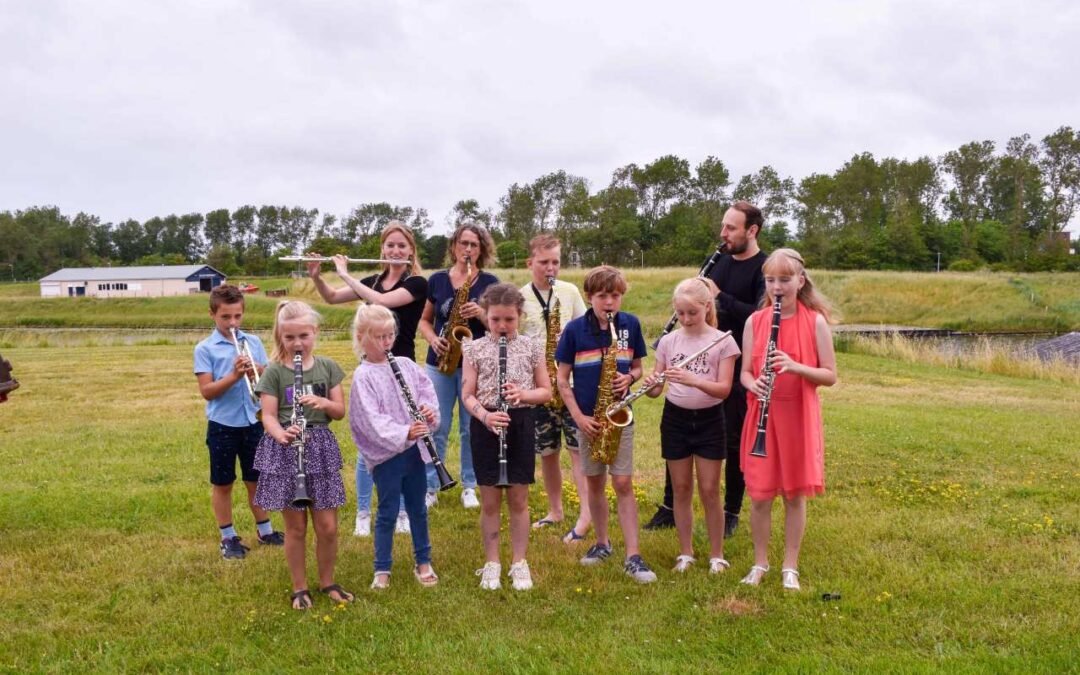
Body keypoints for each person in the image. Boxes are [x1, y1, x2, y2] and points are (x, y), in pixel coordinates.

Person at [645, 201, 767, 537]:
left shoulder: (763, 268)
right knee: (680, 433)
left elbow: (759, 318)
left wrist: (720, 297)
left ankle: (730, 512)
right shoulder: (719, 261)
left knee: (729, 441)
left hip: (737, 364)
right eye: (723, 226)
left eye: (730, 228)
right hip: (696, 352)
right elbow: (696, 305)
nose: (722, 234)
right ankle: (670, 506)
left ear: (751, 231)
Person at [306, 221, 428, 538]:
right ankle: (363, 510)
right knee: (369, 444)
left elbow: (383, 302)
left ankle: (401, 510)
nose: (396, 250)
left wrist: (345, 273)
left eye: (402, 246)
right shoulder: (372, 280)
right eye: (390, 245)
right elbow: (332, 297)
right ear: (382, 249)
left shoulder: (417, 283)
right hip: (371, 370)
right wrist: (318, 276)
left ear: (410, 250)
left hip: (401, 369)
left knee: (402, 440)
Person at [738, 248, 837, 591]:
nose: (777, 286)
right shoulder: (756, 321)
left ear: (800, 281)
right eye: (770, 280)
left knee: (795, 495)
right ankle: (759, 562)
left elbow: (830, 375)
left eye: (784, 279)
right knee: (760, 495)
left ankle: (789, 566)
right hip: (762, 413)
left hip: (798, 414)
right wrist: (756, 383)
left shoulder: (815, 321)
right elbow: (745, 374)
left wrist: (795, 366)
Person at [555, 266, 657, 584]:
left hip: (619, 416)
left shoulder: (631, 325)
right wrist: (578, 417)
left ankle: (633, 555)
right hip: (589, 420)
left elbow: (639, 369)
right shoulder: (574, 330)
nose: (609, 302)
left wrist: (629, 377)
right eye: (602, 296)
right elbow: (560, 378)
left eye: (615, 296)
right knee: (595, 484)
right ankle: (602, 544)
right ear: (590, 297)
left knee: (623, 484)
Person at [253, 300, 353, 610]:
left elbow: (339, 412)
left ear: (315, 333)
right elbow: (267, 414)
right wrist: (280, 433)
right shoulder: (274, 372)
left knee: (328, 526)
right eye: (290, 337)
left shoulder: (328, 368)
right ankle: (299, 587)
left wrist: (323, 403)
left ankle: (327, 581)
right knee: (295, 528)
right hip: (286, 450)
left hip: (320, 448)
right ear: (280, 336)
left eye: (304, 336)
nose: (297, 344)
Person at [644, 278, 740, 574]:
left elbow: (723, 390)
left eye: (692, 313)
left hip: (710, 420)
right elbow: (656, 391)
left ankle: (716, 555)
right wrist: (651, 383)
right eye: (680, 313)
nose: (686, 319)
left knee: (710, 490)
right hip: (675, 419)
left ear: (706, 307)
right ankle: (685, 553)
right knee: (681, 489)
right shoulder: (670, 341)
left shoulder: (723, 341)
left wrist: (693, 379)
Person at [461, 284, 551, 590]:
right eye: (495, 319)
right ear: (486, 316)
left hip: (520, 421)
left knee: (519, 499)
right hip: (486, 423)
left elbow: (546, 392)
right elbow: (466, 394)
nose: (501, 326)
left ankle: (518, 561)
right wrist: (485, 416)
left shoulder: (532, 347)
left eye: (509, 320)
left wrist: (522, 393)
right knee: (489, 502)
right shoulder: (473, 348)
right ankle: (492, 562)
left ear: (520, 316)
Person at [348, 304, 440, 590]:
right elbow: (370, 421)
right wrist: (404, 432)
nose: (387, 342)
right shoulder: (363, 376)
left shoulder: (406, 365)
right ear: (362, 337)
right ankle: (382, 567)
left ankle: (423, 560)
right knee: (388, 510)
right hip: (387, 456)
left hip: (414, 452)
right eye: (379, 337)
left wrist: (428, 412)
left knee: (417, 508)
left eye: (390, 335)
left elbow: (426, 391)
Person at [194, 284, 283, 560]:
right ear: (212, 314)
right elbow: (207, 391)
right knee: (223, 482)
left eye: (237, 316)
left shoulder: (252, 342)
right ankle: (228, 537)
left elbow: (268, 375)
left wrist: (260, 370)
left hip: (253, 421)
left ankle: (265, 530)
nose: (232, 323)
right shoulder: (205, 348)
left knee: (256, 479)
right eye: (225, 317)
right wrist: (234, 375)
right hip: (223, 425)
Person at [417, 222, 500, 509]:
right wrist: (432, 340)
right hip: (439, 362)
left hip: (475, 365)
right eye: (463, 243)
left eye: (474, 245)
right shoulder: (437, 280)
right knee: (435, 424)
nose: (468, 249)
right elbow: (425, 320)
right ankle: (431, 484)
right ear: (453, 246)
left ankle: (469, 485)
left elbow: (501, 325)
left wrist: (481, 313)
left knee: (470, 427)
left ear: (481, 249)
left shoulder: (490, 281)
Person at [517, 234, 590, 543]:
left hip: (570, 384)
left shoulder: (570, 292)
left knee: (578, 451)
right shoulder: (520, 297)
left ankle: (586, 513)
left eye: (555, 262)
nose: (551, 268)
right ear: (530, 262)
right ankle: (555, 509)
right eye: (544, 262)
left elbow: (586, 331)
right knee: (547, 452)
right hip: (540, 387)